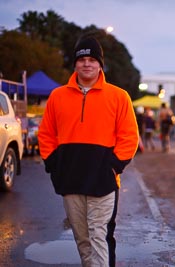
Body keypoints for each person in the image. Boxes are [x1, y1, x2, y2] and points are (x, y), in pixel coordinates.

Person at [38, 36, 139, 267]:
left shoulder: (118, 96)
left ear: (100, 64)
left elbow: (130, 137)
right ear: (74, 63)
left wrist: (113, 166)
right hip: (70, 180)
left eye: (92, 59)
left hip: (103, 180)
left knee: (99, 236)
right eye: (82, 59)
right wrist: (54, 165)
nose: (87, 64)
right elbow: (46, 134)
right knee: (82, 239)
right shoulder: (57, 96)